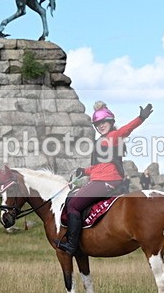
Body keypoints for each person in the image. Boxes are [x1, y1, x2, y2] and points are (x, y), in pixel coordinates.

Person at [58, 101, 154, 255]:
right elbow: (99, 167)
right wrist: (84, 171)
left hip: (107, 181)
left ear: (110, 122)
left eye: (104, 122)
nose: (101, 125)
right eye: (98, 124)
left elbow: (126, 130)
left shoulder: (113, 136)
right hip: (99, 179)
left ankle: (72, 245)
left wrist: (141, 118)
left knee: (74, 206)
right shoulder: (99, 141)